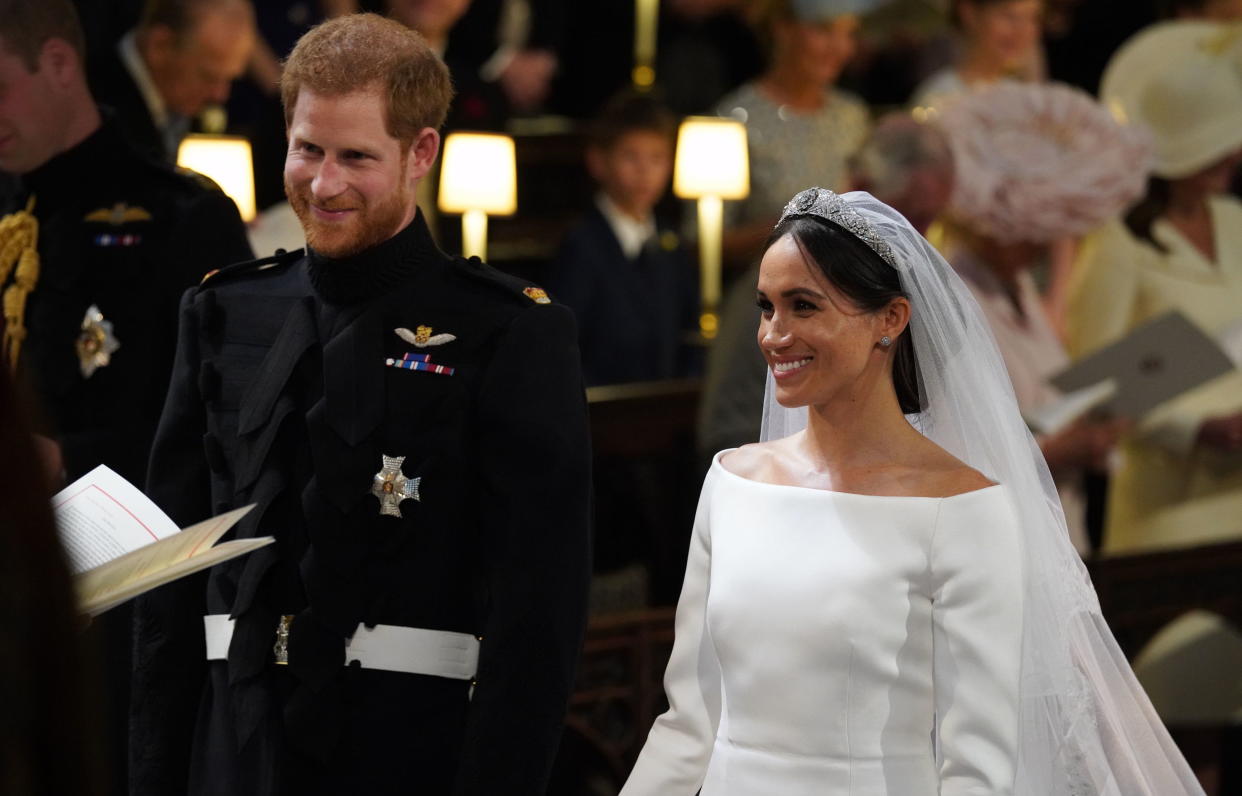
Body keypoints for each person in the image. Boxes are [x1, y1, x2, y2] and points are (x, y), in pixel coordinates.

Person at [129, 14, 592, 796]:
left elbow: (538, 620)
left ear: (420, 154)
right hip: (229, 746)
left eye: (356, 157)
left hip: (409, 749)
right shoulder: (222, 313)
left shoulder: (509, 332)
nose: (323, 183)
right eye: (308, 149)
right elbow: (167, 596)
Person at [621, 188, 1204, 794]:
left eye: (803, 306)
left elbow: (975, 769)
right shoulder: (732, 482)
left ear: (891, 319)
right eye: (766, 307)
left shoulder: (964, 509)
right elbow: (687, 724)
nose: (773, 334)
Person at [933, 81, 1149, 554]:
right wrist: (1060, 451)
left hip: (1058, 537)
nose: (1045, 243)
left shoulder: (1020, 286)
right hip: (1001, 551)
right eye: (1034, 231)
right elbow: (947, 463)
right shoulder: (949, 301)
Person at [1068, 20, 1242, 553]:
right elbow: (1091, 384)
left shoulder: (1235, 220)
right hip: (1168, 512)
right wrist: (1197, 429)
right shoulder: (1118, 240)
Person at [696, 111, 949, 462]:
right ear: (861, 186)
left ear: (893, 318)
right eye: (911, 215)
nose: (918, 236)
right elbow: (727, 425)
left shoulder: (958, 493)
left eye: (802, 307)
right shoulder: (787, 262)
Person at [545, 91, 698, 386]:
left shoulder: (670, 242)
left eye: (657, 158)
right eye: (631, 156)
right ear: (598, 161)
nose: (645, 172)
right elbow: (567, 341)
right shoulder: (582, 244)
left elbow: (686, 329)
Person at [714, 0, 872, 269]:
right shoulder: (734, 121)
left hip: (844, 285)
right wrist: (796, 224)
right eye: (824, 30)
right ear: (783, 28)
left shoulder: (852, 117)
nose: (840, 48)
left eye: (848, 33)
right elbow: (704, 243)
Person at [87, 0, 257, 162]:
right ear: (159, 46)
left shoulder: (175, 105)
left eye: (229, 79)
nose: (221, 95)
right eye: (208, 76)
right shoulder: (99, 111)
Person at [910, 0, 1044, 109]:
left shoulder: (1023, 94)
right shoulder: (938, 97)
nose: (1022, 31)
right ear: (969, 13)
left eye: (1032, 18)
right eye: (1009, 16)